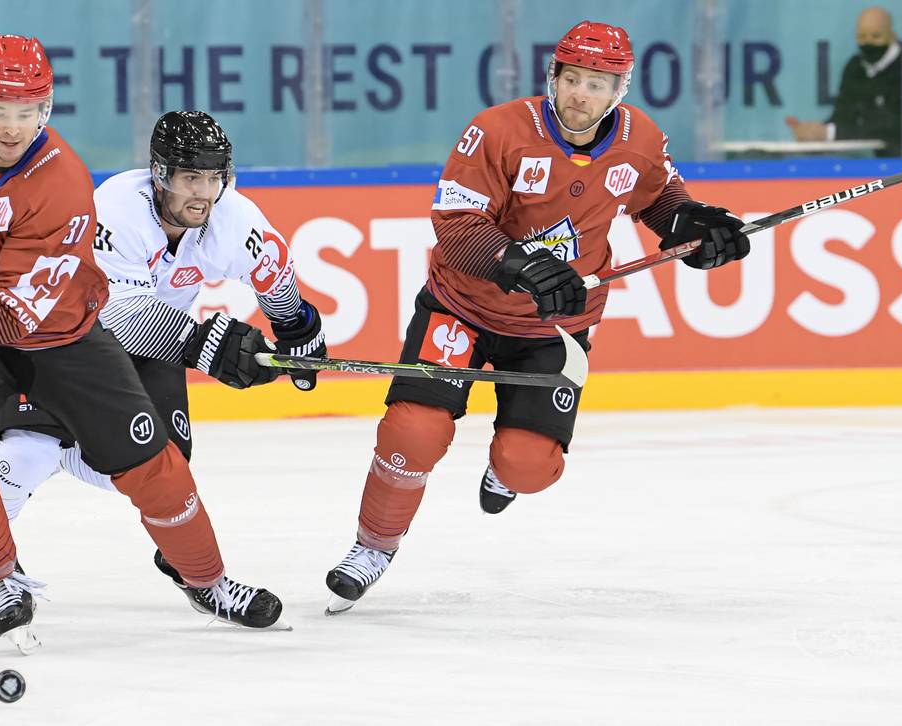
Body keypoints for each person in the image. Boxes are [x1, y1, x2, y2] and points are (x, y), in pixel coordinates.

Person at [0, 34, 285, 652]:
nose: (12, 128)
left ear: (47, 110)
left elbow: (16, 313)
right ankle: (2, 576)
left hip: (59, 336)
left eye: (27, 112)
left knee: (154, 463)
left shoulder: (60, 183)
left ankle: (208, 580)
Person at [322, 20, 752, 614]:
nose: (582, 95)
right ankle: (373, 547)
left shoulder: (641, 139)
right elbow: (456, 230)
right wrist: (521, 265)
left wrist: (699, 229)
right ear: (553, 77)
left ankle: (507, 472)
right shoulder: (496, 132)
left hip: (556, 328)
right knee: (412, 434)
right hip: (463, 309)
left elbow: (660, 201)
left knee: (528, 467)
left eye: (599, 84)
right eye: (572, 79)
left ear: (620, 90)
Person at [0, 110, 327, 614]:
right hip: (72, 338)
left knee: (168, 464)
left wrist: (299, 338)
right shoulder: (114, 209)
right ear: (159, 174)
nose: (204, 192)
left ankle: (189, 570)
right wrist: (211, 345)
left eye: (215, 178)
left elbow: (275, 278)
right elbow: (121, 316)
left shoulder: (235, 219)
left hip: (160, 348)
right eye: (190, 177)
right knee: (27, 446)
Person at [784, 6, 902, 157]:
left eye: (876, 36)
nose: (868, 42)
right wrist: (815, 132)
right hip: (872, 166)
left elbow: (891, 128)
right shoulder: (855, 67)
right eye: (862, 37)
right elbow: (843, 117)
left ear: (892, 36)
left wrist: (830, 133)